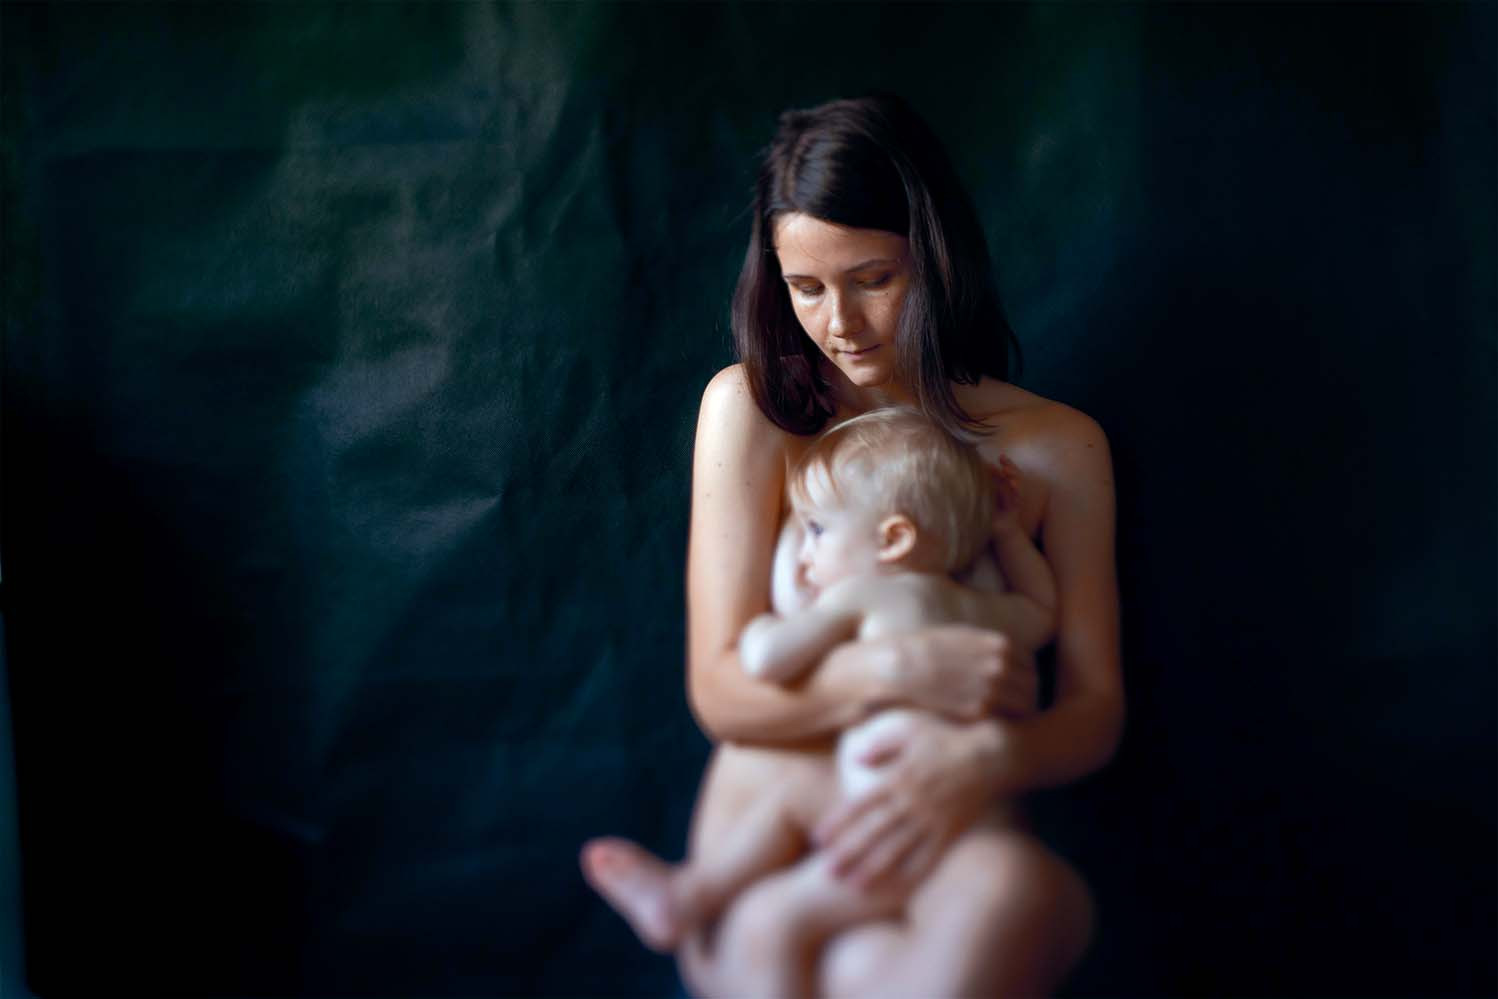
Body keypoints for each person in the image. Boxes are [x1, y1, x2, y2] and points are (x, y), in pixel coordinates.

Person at [623, 93, 1119, 997]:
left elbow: (1093, 709)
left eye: (873, 278)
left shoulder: (1059, 446)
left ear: (937, 257)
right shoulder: (753, 409)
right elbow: (721, 690)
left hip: (944, 820)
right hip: (774, 828)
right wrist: (899, 669)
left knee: (1023, 896)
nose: (840, 323)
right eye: (806, 287)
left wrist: (990, 757)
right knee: (792, 942)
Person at [581, 406, 1057, 976]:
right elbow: (1042, 612)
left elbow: (768, 658)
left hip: (888, 830)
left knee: (770, 914)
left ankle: (691, 895)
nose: (806, 553)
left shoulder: (863, 597)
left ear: (893, 539)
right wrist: (1006, 531)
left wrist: (765, 619)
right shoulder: (978, 606)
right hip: (971, 820)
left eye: (816, 531)